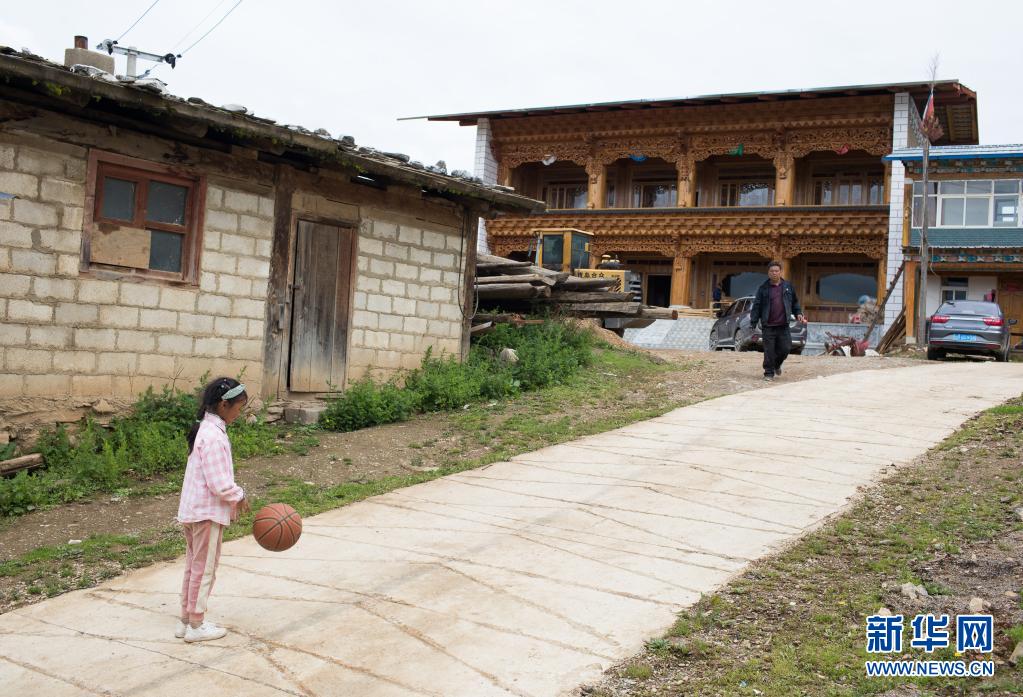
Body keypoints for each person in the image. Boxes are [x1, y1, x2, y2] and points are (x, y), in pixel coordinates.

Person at [175, 377, 250, 643]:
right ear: (223, 404)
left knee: (193, 567)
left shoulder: (204, 429)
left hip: (192, 511)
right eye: (238, 409)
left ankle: (185, 620)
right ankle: (197, 625)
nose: (239, 415)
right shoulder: (215, 437)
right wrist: (240, 495)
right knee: (205, 570)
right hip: (206, 514)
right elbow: (220, 484)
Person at [749, 261, 806, 380]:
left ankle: (776, 365)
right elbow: (757, 306)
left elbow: (795, 302)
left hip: (783, 325)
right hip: (768, 326)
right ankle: (768, 373)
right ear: (768, 273)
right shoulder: (763, 289)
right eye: (772, 271)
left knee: (785, 349)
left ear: (780, 272)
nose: (774, 273)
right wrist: (753, 322)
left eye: (776, 271)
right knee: (769, 351)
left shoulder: (788, 287)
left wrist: (798, 313)